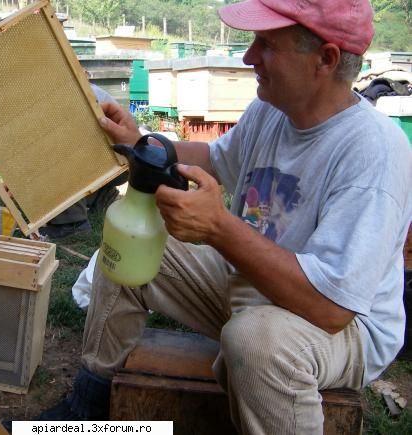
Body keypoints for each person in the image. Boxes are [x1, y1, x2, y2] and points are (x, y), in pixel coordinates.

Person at [38, 0, 412, 432]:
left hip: (341, 329)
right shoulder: (273, 108)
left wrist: (219, 227)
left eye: (267, 44)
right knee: (132, 238)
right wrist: (141, 140)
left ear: (325, 59)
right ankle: (89, 406)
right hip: (254, 286)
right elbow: (217, 159)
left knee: (256, 340)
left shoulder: (373, 153)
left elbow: (331, 308)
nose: (248, 57)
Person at [39, 84, 128, 240]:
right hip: (119, 161)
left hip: (115, 161)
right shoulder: (75, 88)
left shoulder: (72, 95)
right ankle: (101, 197)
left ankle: (73, 224)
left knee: (59, 157)